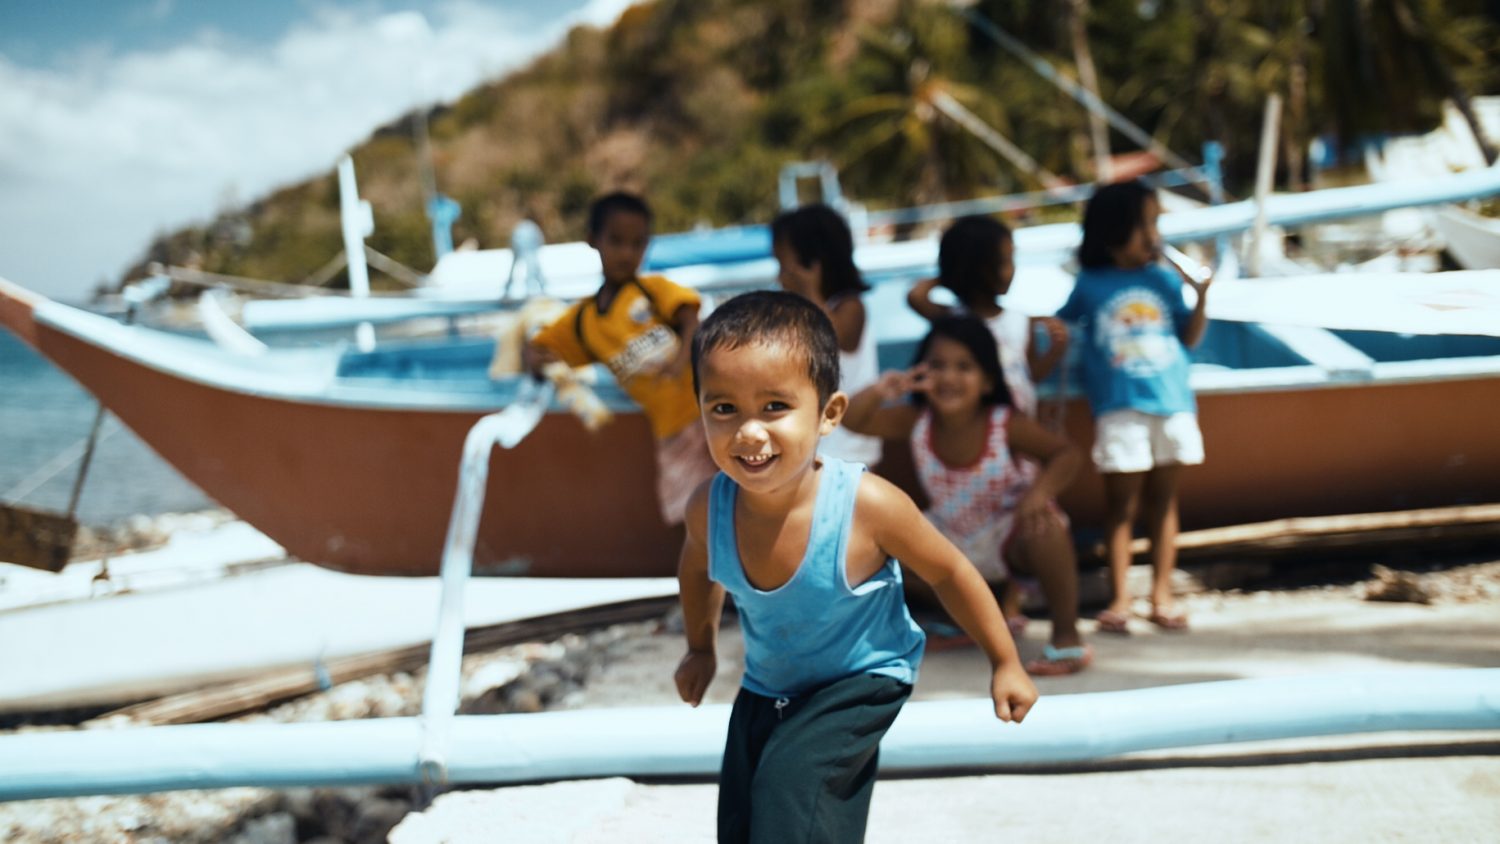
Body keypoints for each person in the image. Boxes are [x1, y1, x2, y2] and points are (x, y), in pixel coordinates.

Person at [675, 291, 1037, 842]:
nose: (749, 432)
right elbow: (697, 568)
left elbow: (949, 572)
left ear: (828, 414)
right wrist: (699, 647)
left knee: (789, 789)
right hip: (769, 684)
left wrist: (1005, 660)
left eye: (775, 407)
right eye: (724, 408)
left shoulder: (866, 507)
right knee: (747, 821)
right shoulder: (710, 508)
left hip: (859, 681)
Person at [842, 315, 1092, 676]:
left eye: (964, 367)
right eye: (938, 366)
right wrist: (886, 388)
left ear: (988, 379)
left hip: (1007, 535)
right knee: (879, 545)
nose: (949, 377)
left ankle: (1067, 638)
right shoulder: (917, 420)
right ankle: (963, 621)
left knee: (1048, 526)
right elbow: (851, 420)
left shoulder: (1004, 422)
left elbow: (1066, 454)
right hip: (952, 540)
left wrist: (1039, 494)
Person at [1055, 179, 1212, 634]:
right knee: (1119, 506)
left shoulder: (1163, 280)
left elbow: (1189, 337)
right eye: (1147, 224)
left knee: (1165, 503)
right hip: (1119, 408)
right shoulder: (1090, 285)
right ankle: (1121, 597)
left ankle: (1162, 595)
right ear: (1114, 231)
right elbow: (1059, 325)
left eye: (1156, 224)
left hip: (1171, 403)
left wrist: (1200, 295)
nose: (1154, 236)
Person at [526, 191, 718, 526]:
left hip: (710, 412)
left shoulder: (652, 290)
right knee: (693, 514)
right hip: (671, 429)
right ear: (593, 241)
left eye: (637, 243)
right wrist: (537, 363)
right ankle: (710, 575)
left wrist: (680, 360)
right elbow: (541, 348)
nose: (626, 253)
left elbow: (691, 318)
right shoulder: (584, 322)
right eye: (616, 241)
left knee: (740, 497)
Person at [906, 215, 1068, 417]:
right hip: (971, 430)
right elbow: (916, 296)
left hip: (1016, 426)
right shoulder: (952, 320)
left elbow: (1030, 375)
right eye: (1004, 262)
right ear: (980, 268)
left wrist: (1054, 352)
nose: (1012, 270)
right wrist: (955, 272)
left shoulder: (1021, 321)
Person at [770, 203, 883, 468]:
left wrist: (810, 291)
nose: (780, 276)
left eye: (784, 266)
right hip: (820, 448)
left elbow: (831, 336)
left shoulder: (851, 307)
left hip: (852, 448)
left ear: (813, 263)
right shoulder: (798, 314)